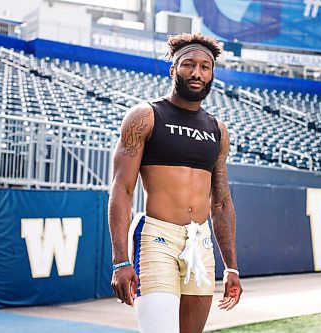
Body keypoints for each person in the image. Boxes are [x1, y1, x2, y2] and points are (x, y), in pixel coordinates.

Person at [108, 33, 243, 333]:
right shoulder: (145, 116)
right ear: (173, 69)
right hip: (157, 238)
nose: (197, 73)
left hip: (201, 242)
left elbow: (220, 202)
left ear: (212, 75)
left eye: (205, 67)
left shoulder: (218, 131)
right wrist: (120, 261)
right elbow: (122, 188)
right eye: (188, 64)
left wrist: (231, 267)